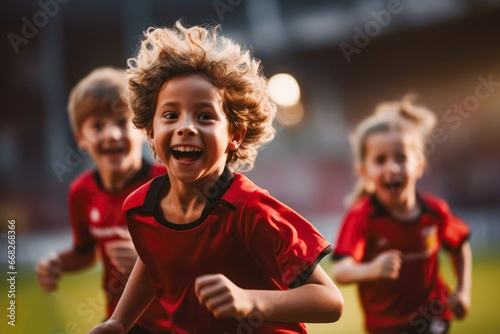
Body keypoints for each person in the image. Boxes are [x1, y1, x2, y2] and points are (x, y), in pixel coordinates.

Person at [89, 21, 343, 334]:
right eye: (171, 115)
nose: (186, 127)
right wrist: (120, 321)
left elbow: (330, 300)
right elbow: (154, 259)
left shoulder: (252, 211)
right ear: (151, 133)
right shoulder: (139, 208)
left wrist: (249, 301)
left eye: (205, 116)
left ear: (235, 135)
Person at [36, 67, 170, 333]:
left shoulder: (168, 184)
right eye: (98, 126)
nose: (111, 134)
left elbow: (196, 255)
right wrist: (57, 262)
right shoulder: (82, 192)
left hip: (173, 322)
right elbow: (85, 253)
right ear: (80, 139)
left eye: (121, 122)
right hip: (122, 322)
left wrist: (148, 261)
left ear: (143, 129)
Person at [331, 98, 472, 334]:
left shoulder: (435, 211)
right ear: (363, 171)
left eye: (401, 158)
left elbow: (460, 245)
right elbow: (341, 271)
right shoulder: (362, 215)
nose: (392, 168)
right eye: (380, 160)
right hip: (385, 327)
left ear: (419, 165)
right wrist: (372, 269)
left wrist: (463, 290)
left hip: (433, 317)